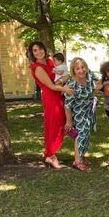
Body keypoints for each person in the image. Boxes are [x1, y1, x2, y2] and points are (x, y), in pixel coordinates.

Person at [28, 41, 74, 169]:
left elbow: (59, 77)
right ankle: (50, 155)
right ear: (32, 53)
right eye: (35, 50)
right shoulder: (37, 68)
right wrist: (64, 88)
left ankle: (58, 151)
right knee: (54, 124)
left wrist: (64, 79)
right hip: (51, 97)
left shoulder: (49, 62)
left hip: (59, 94)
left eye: (40, 49)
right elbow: (51, 86)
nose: (39, 52)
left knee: (63, 121)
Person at [64, 58, 100, 171]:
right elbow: (68, 105)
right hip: (78, 113)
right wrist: (69, 121)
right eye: (77, 68)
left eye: (83, 67)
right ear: (73, 70)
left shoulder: (89, 75)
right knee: (80, 136)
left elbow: (101, 77)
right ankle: (77, 161)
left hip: (89, 111)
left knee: (87, 136)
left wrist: (99, 84)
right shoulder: (71, 84)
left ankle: (82, 156)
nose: (81, 70)